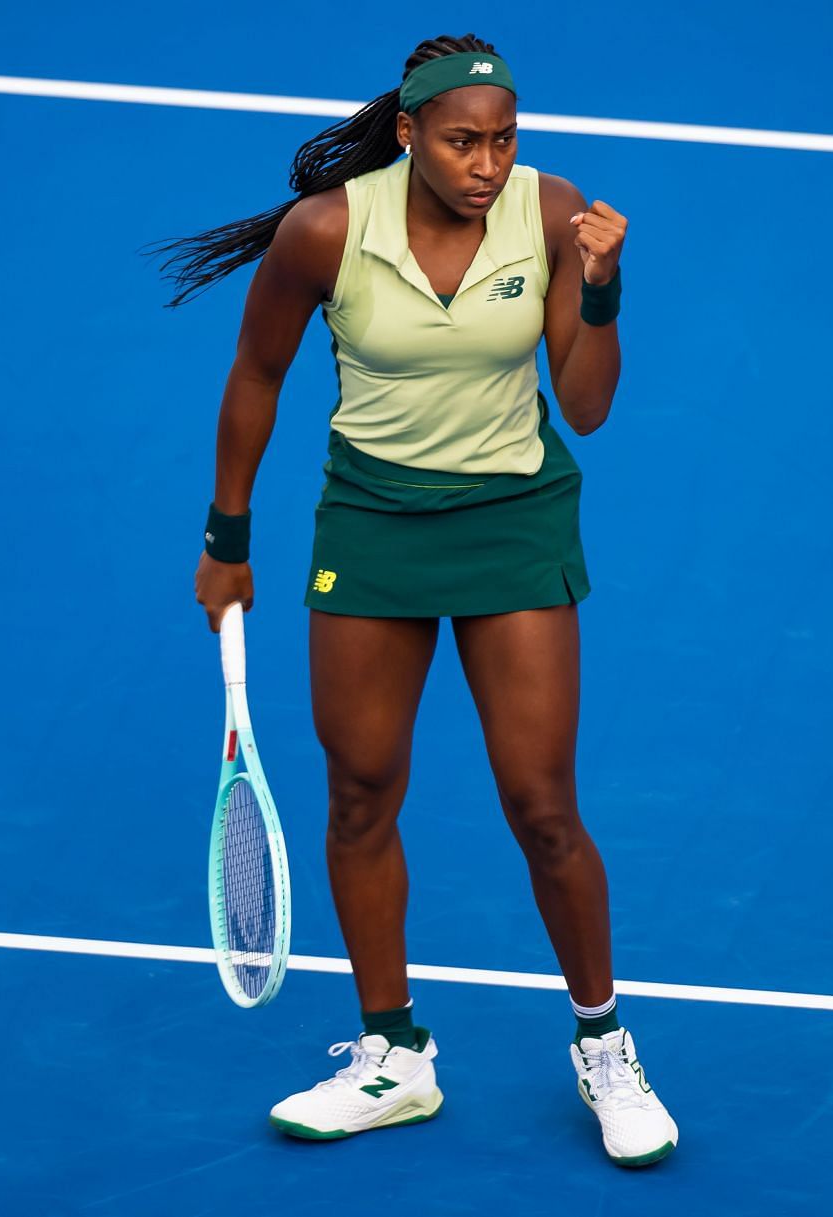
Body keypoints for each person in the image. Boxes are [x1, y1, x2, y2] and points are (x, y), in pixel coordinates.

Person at [156, 33, 676, 1168]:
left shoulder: (550, 213)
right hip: (373, 529)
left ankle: (604, 1043)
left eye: (503, 140)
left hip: (511, 519)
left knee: (543, 805)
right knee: (359, 794)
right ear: (408, 135)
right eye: (461, 141)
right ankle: (392, 1052)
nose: (488, 164)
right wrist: (227, 538)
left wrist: (602, 289)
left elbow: (583, 407)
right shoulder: (329, 231)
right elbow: (257, 372)